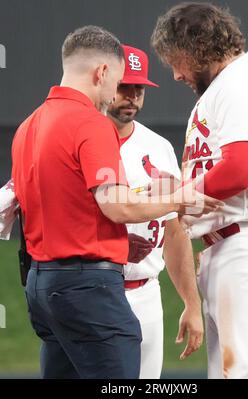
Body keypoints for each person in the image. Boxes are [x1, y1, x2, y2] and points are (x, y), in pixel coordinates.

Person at [10, 25, 222, 379]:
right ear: (102, 72)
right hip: (89, 286)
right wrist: (180, 198)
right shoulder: (91, 123)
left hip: (42, 283)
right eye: (120, 82)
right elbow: (116, 206)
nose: (116, 95)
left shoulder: (29, 125)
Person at [151, 2, 248, 379]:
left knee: (244, 374)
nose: (175, 73)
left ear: (197, 47)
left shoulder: (241, 83)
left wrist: (176, 198)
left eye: (176, 60)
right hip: (235, 244)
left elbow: (239, 168)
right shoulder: (227, 84)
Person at [107, 44, 203, 379]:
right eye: (124, 86)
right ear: (103, 81)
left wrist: (191, 303)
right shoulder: (77, 140)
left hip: (146, 292)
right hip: (95, 291)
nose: (132, 96)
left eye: (139, 88)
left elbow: (175, 230)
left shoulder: (159, 148)